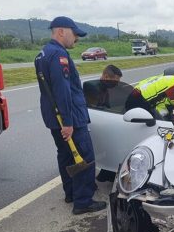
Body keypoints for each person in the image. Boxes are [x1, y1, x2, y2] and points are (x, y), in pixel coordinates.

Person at [34, 16, 106, 215]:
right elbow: (62, 90)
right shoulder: (59, 55)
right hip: (69, 117)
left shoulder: (42, 54)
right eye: (74, 34)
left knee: (65, 155)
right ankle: (83, 201)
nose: (76, 39)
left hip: (53, 117)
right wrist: (68, 121)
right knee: (84, 157)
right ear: (61, 32)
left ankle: (71, 193)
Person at [95, 65, 123, 183]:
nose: (116, 84)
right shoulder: (94, 88)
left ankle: (106, 173)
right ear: (106, 76)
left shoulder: (104, 87)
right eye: (115, 81)